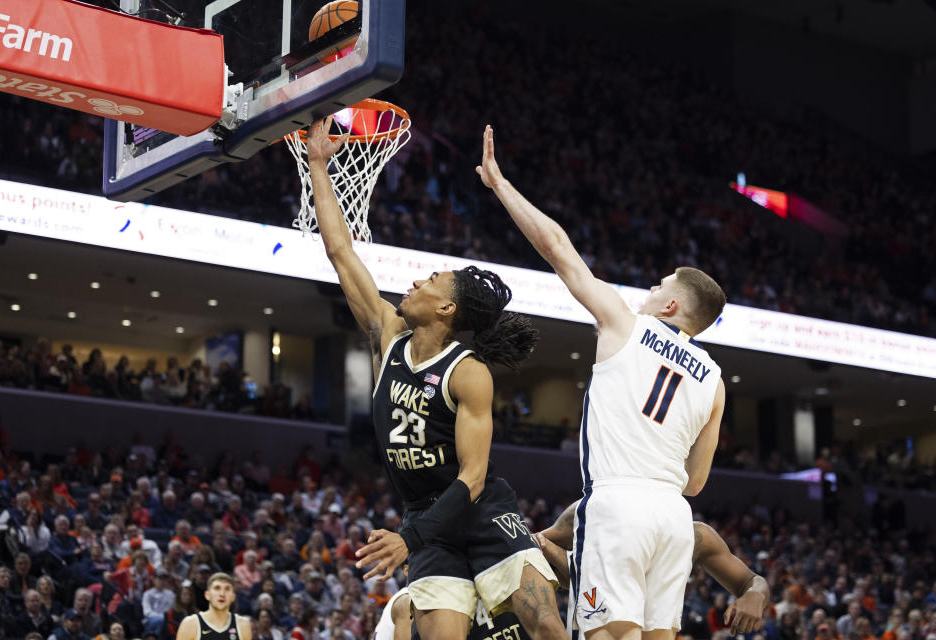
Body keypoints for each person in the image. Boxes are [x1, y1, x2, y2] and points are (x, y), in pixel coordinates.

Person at [304, 118, 565, 640]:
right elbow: (341, 253)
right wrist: (317, 165)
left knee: (545, 629)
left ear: (447, 307)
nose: (418, 279)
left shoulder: (468, 374)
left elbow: (470, 478)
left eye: (432, 280)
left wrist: (407, 537)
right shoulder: (388, 335)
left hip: (482, 513)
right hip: (428, 521)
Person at [477, 125, 726, 640]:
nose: (649, 290)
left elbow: (558, 248)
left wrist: (501, 185)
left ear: (672, 305)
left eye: (658, 286)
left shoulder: (626, 323)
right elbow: (696, 482)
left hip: (618, 506)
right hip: (674, 517)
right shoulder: (716, 381)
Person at [535, 501, 768, 636]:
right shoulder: (594, 508)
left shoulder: (695, 534)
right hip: (598, 626)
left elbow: (751, 581)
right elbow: (535, 546)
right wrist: (564, 559)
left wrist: (755, 594)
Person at [175, 572, 251, 640]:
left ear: (233, 597)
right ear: (207, 595)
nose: (222, 594)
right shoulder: (190, 623)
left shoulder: (243, 624)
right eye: (217, 588)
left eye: (227, 589)